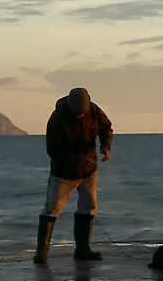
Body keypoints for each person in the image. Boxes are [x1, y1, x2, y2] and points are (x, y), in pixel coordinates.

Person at [36, 87, 113, 262]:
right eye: (76, 113)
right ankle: (41, 253)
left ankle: (83, 249)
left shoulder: (94, 110)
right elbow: (53, 150)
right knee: (52, 208)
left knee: (88, 206)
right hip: (63, 173)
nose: (80, 115)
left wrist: (105, 146)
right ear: (70, 106)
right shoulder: (57, 118)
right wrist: (76, 159)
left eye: (82, 112)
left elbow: (106, 127)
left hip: (89, 170)